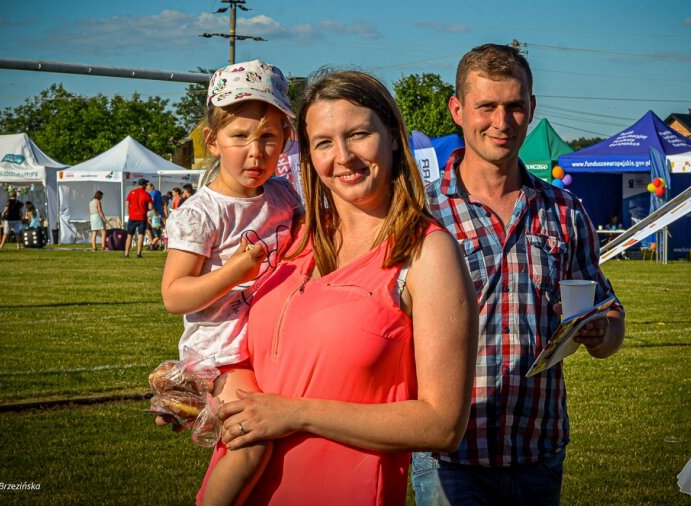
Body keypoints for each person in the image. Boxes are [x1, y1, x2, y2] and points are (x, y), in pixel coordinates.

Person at [193, 69, 478, 505]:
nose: (342, 156)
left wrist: (296, 414)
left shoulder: (427, 254)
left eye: (359, 134)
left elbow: (441, 425)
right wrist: (201, 388)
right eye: (323, 142)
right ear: (307, 155)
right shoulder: (292, 237)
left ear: (393, 138)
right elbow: (258, 357)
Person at [411, 43, 626, 506]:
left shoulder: (565, 211)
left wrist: (597, 331)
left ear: (531, 108)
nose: (502, 122)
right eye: (486, 106)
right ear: (457, 109)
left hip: (538, 452)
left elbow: (611, 322)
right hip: (449, 457)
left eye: (514, 106)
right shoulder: (420, 213)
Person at [160, 59, 305, 506]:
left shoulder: (284, 196)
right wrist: (232, 273)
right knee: (253, 441)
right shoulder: (200, 213)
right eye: (240, 136)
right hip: (225, 353)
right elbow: (173, 294)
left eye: (268, 137)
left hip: (271, 345)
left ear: (285, 139)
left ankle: (181, 400)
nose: (255, 151)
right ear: (213, 140)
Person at [124, 178, 153, 258]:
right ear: (144, 185)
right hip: (142, 217)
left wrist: (129, 213)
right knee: (141, 235)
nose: (147, 186)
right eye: (146, 184)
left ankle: (126, 254)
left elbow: (127, 204)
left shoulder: (132, 192)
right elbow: (150, 207)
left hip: (132, 217)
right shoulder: (147, 195)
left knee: (129, 235)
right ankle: (138, 253)